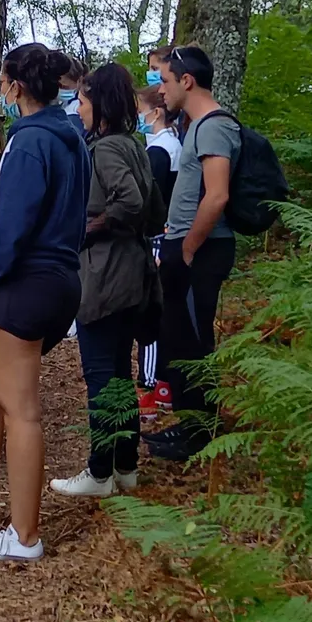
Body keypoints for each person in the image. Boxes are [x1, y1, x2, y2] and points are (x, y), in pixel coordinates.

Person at [0, 43, 88, 563]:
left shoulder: (29, 140)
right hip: (57, 282)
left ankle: (25, 537)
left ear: (16, 87)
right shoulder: (71, 136)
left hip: (23, 285)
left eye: (2, 82)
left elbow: (11, 225)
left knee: (22, 410)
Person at [51, 64, 163, 498]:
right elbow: (154, 211)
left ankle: (99, 472)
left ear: (99, 104)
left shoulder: (104, 151)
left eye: (81, 100)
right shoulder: (132, 145)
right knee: (118, 376)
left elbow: (132, 201)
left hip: (105, 276)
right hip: (131, 273)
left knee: (102, 376)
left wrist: (89, 228)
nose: (77, 108)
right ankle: (125, 465)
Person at [144, 45, 236, 462]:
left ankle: (201, 433)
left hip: (201, 250)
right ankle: (190, 424)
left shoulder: (214, 126)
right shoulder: (196, 125)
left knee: (195, 341)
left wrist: (188, 248)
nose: (159, 90)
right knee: (179, 338)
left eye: (164, 81)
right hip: (185, 246)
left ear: (187, 81)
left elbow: (216, 197)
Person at [136, 48, 181, 420]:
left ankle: (151, 385)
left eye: (140, 110)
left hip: (157, 240)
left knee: (152, 315)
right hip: (163, 237)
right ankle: (159, 385)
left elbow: (153, 200)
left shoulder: (161, 152)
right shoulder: (165, 147)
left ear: (155, 112)